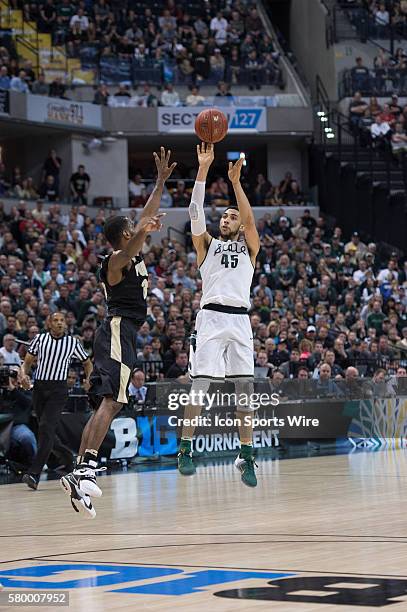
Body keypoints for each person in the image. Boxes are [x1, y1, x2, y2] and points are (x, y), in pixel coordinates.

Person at [60, 147, 176, 518]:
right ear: (123, 235)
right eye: (133, 229)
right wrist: (142, 231)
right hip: (116, 330)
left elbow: (145, 215)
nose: (139, 228)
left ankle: (81, 472)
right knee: (112, 402)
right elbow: (137, 235)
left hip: (122, 333)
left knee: (105, 404)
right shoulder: (114, 260)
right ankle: (85, 468)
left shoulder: (133, 249)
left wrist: (159, 183)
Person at [178, 143, 260, 487]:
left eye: (231, 216)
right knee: (200, 389)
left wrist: (237, 183)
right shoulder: (206, 245)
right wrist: (203, 168)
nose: (225, 219)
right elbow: (195, 210)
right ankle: (185, 448)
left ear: (239, 225)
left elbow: (251, 219)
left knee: (245, 391)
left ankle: (247, 455)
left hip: (240, 320)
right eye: (223, 216)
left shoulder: (251, 247)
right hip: (211, 318)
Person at [20, 312, 92, 492]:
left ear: (66, 324)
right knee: (46, 432)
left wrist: (88, 379)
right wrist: (24, 375)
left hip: (59, 390)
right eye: (56, 320)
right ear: (49, 323)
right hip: (39, 388)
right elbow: (27, 361)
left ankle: (34, 474)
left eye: (62, 320)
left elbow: (87, 362)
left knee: (45, 427)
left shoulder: (72, 342)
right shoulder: (40, 339)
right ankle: (69, 460)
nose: (60, 323)